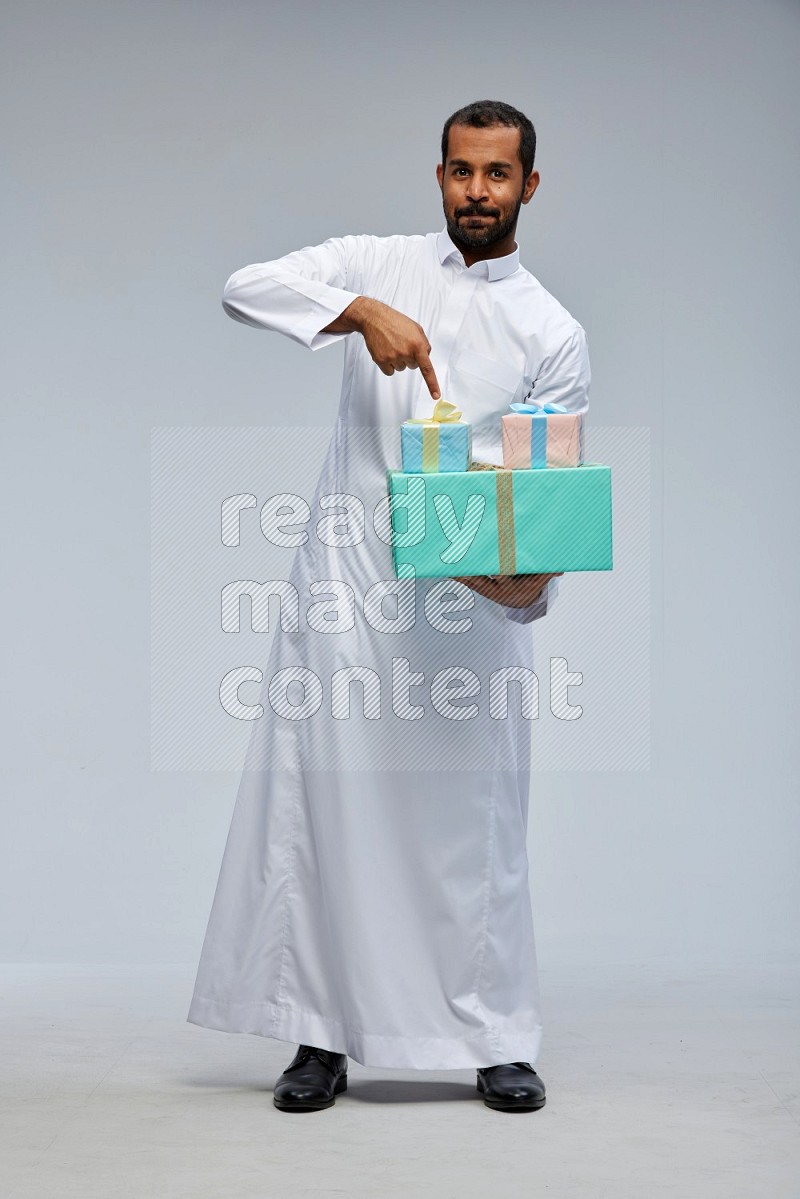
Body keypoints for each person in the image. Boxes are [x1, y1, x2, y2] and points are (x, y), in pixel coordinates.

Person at [187, 99, 591, 1113]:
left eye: (496, 174)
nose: (475, 192)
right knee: (326, 811)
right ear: (440, 176)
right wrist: (357, 311)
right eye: (460, 171)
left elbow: (543, 491)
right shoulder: (380, 264)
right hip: (349, 600)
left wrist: (526, 580)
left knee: (476, 827)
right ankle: (319, 1036)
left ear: (528, 187)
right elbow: (243, 287)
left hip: (466, 615)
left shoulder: (550, 330)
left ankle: (493, 1033)